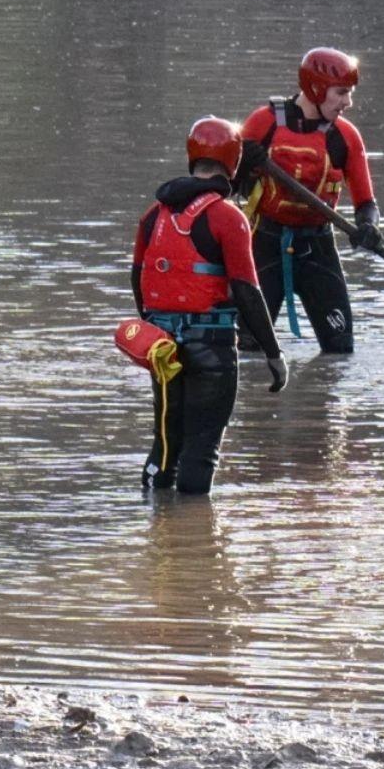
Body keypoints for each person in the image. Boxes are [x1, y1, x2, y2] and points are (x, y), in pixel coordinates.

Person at [132, 117, 288, 494]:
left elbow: (138, 280)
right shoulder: (227, 217)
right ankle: (191, 541)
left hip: (162, 349)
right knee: (201, 452)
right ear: (233, 162)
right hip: (213, 350)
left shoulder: (153, 216)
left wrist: (156, 327)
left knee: (165, 444)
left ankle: (154, 522)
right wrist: (273, 354)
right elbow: (248, 291)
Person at [236, 47, 382, 354]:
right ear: (316, 88)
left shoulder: (346, 136)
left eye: (350, 93)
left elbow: (366, 203)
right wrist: (243, 165)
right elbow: (228, 188)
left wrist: (368, 226)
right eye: (341, 93)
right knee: (248, 352)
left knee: (340, 352)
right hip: (265, 245)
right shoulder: (263, 123)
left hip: (318, 249)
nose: (348, 102)